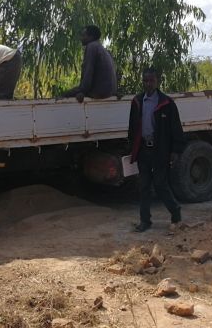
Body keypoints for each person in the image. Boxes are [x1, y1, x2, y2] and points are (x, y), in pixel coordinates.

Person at [127, 67, 185, 232]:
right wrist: (132, 147)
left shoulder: (166, 103)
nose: (148, 84)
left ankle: (175, 212)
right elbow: (132, 128)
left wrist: (175, 151)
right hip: (143, 149)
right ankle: (145, 221)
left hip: (160, 150)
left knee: (160, 184)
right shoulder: (137, 102)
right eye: (145, 80)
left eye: (151, 80)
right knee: (144, 185)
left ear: (157, 81)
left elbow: (176, 128)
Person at [61, 25, 117, 102]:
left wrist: (80, 91)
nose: (81, 38)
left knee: (64, 95)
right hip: (110, 92)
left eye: (84, 35)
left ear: (91, 37)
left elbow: (88, 74)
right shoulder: (103, 49)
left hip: (100, 93)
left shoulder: (91, 47)